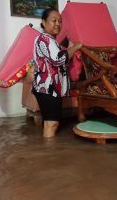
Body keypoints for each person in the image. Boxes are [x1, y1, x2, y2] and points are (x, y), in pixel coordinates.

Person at [32, 8, 83, 138]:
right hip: (47, 88)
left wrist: (70, 48)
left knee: (50, 123)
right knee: (52, 124)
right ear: (43, 22)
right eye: (53, 20)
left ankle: (47, 151)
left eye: (60, 21)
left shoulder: (53, 42)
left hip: (51, 88)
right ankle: (49, 154)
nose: (57, 24)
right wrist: (76, 47)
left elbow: (61, 63)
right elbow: (58, 60)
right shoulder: (44, 39)